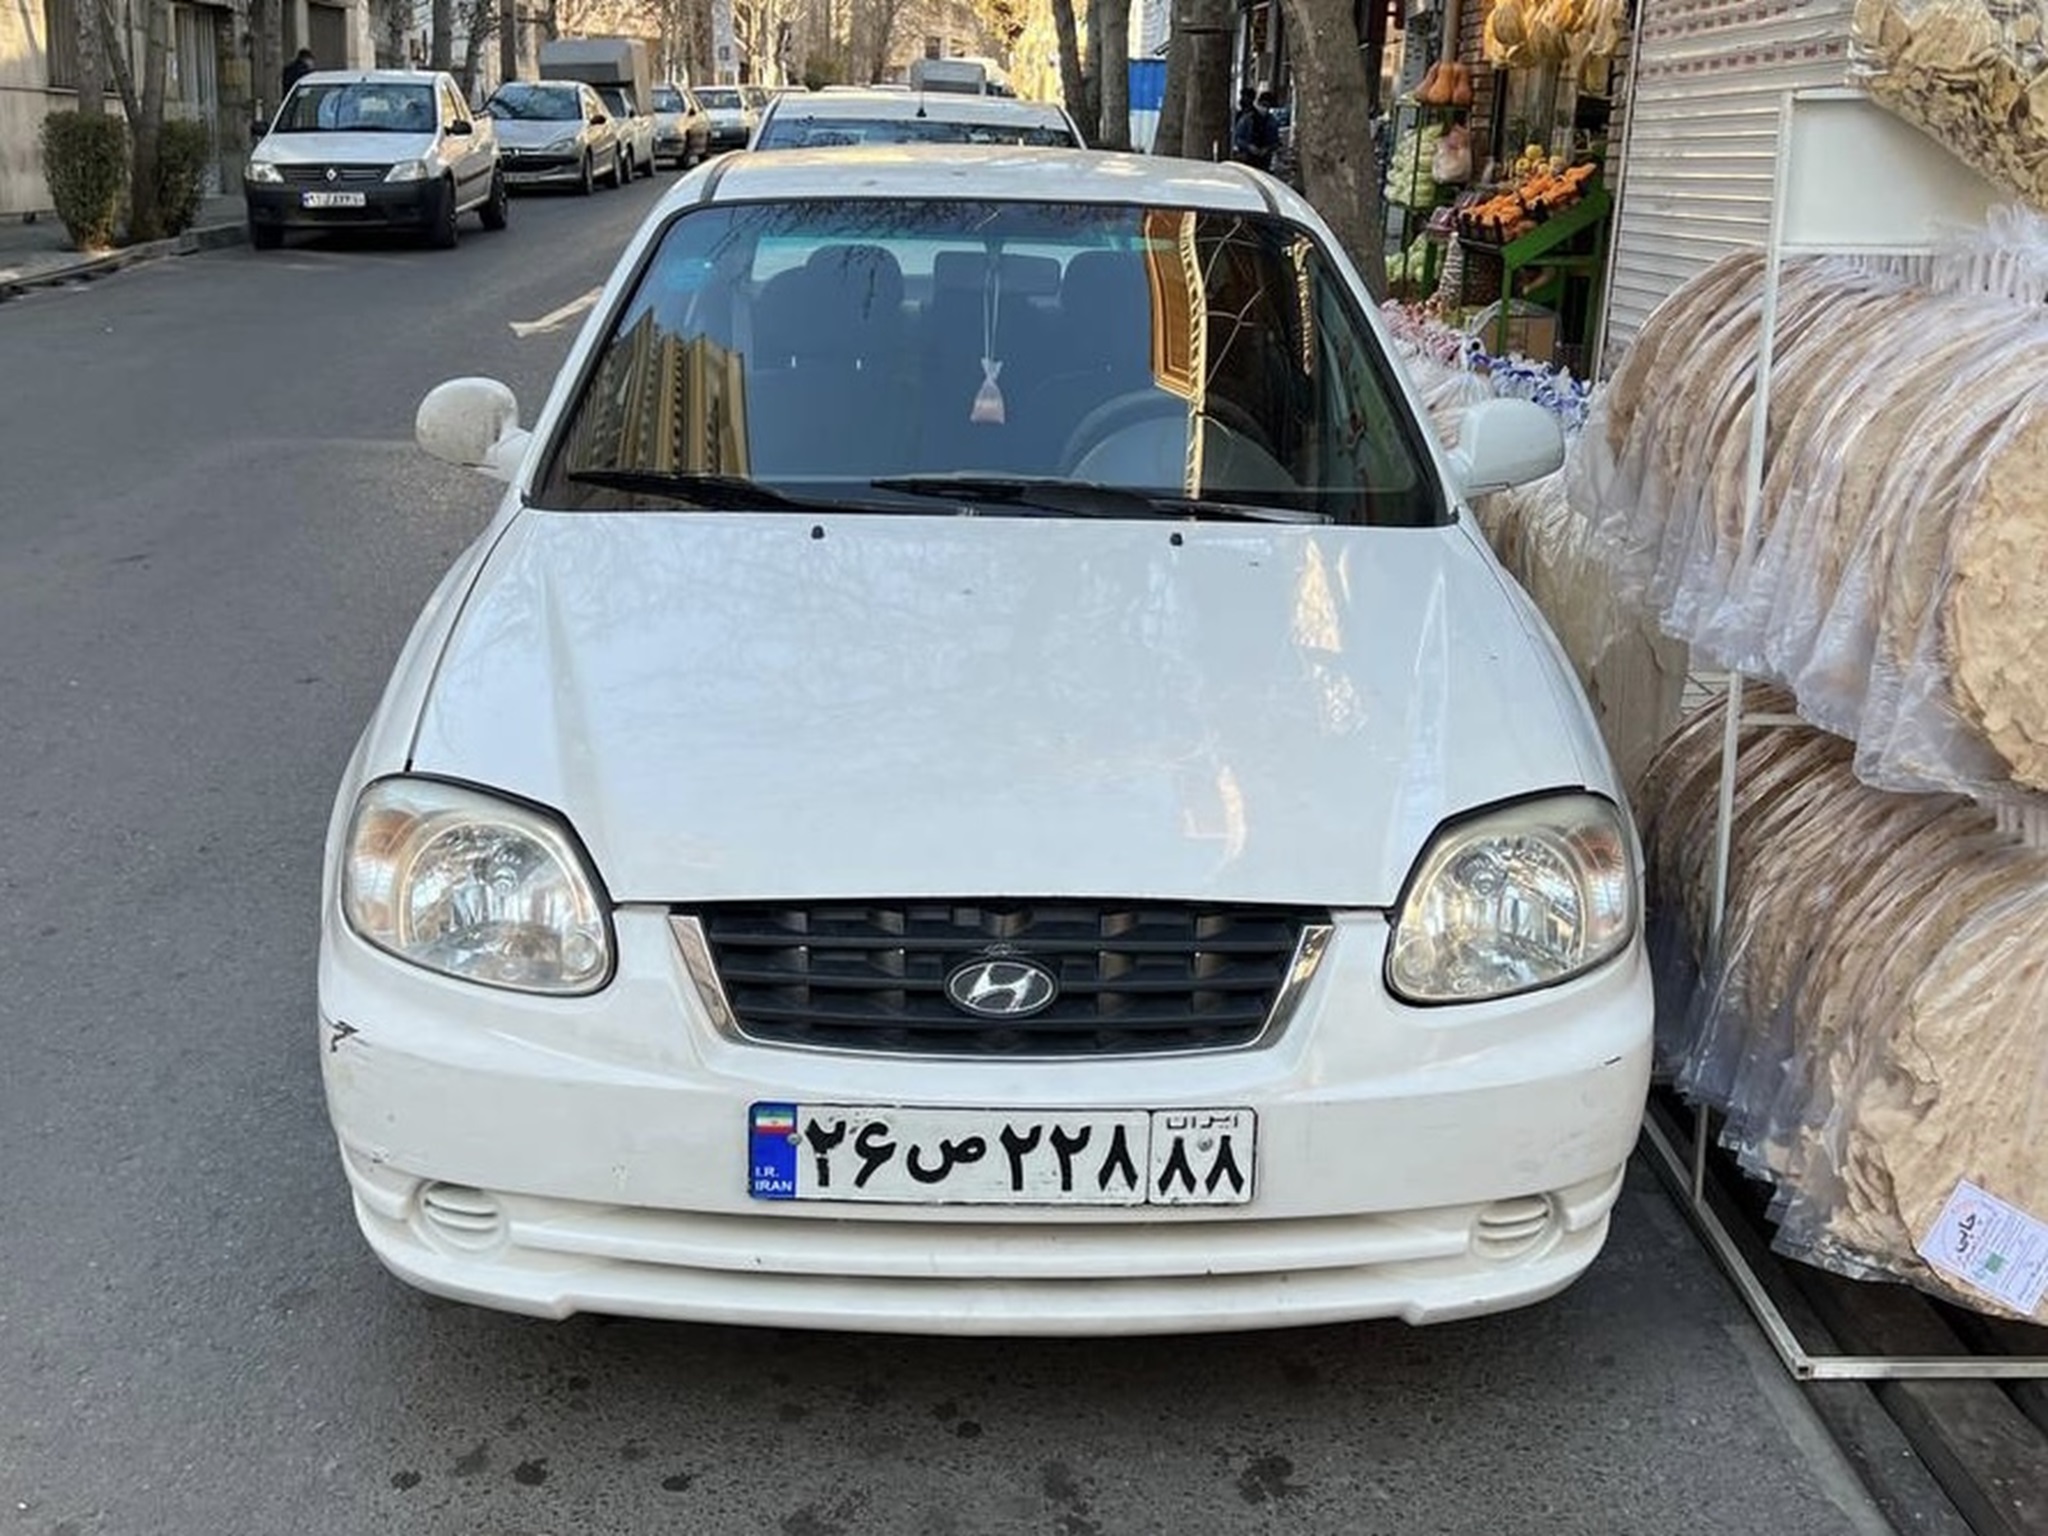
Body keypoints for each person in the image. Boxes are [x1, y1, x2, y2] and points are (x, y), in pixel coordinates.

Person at [1231, 87, 1279, 172]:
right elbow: (1237, 138)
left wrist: (1267, 149)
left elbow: (1275, 141)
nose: (1265, 109)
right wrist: (1249, 147)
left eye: (1268, 106)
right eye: (1263, 105)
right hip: (1247, 158)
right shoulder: (1247, 119)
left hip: (1264, 160)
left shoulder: (1272, 121)